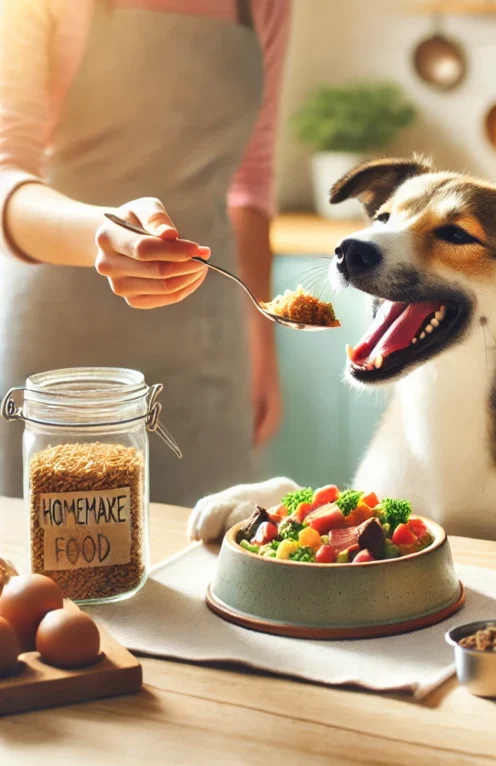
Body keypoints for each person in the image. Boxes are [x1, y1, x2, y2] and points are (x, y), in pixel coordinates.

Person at [0, 0, 289, 505]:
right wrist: (103, 233)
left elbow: (252, 181)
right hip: (60, 339)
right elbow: (7, 177)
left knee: (210, 553)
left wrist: (260, 338)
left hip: (208, 345)